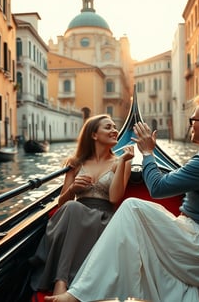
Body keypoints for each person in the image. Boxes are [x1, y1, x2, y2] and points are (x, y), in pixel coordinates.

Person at [46, 93, 199, 302]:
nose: (190, 124)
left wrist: (148, 152)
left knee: (132, 208)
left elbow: (157, 188)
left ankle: (78, 294)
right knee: (142, 225)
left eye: (193, 120)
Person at [28, 114, 134, 296]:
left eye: (115, 127)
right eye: (108, 127)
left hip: (104, 219)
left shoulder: (121, 162)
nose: (115, 130)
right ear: (93, 135)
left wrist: (123, 161)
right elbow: (62, 202)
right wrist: (73, 189)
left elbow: (115, 198)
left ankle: (61, 283)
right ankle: (62, 281)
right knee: (73, 208)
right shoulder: (75, 163)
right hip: (73, 217)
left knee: (73, 209)